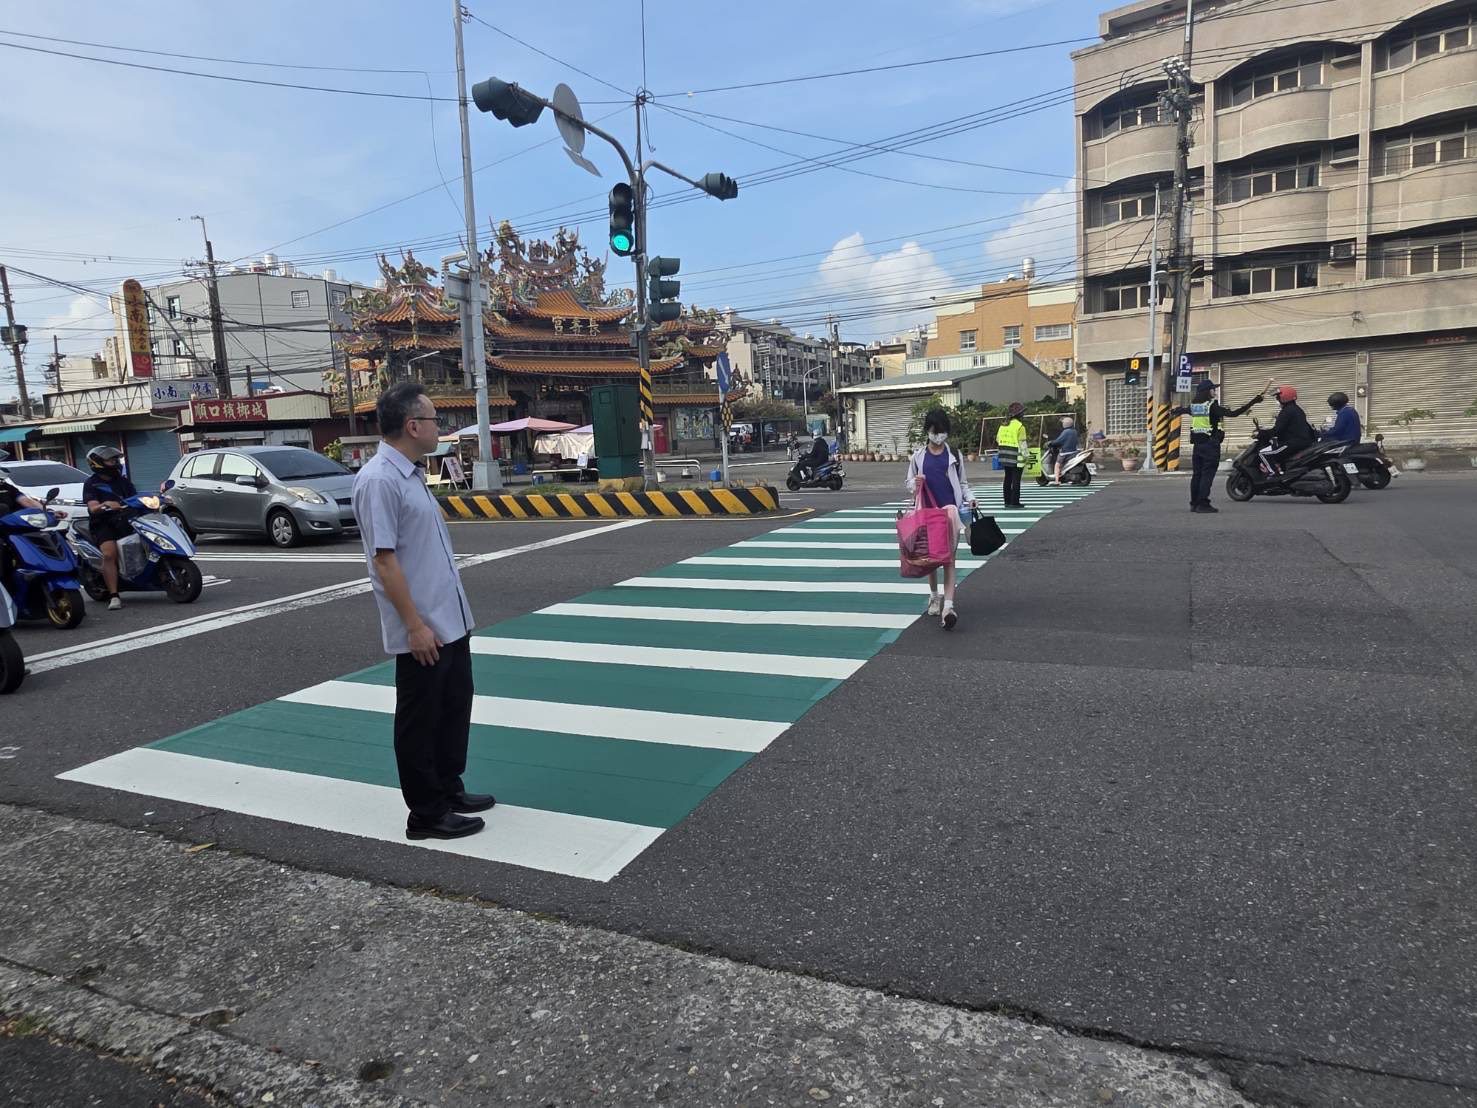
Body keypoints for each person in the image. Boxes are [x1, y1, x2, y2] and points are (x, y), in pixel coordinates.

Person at [351, 382, 493, 842]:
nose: (441, 429)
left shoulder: (411, 474)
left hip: (449, 620)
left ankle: (448, 789)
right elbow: (384, 561)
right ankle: (425, 813)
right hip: (423, 627)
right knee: (420, 719)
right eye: (435, 420)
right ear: (413, 426)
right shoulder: (378, 480)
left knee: (454, 707)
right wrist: (413, 626)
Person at [905, 409, 978, 630]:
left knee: (949, 560)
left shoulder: (954, 455)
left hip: (950, 513)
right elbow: (908, 484)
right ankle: (934, 596)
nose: (939, 436)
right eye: (936, 431)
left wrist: (971, 498)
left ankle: (948, 606)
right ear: (928, 431)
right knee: (930, 560)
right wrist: (915, 483)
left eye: (943, 431)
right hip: (927, 514)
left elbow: (963, 484)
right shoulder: (918, 456)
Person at [1172, 379, 1265, 513]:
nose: (1214, 391)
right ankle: (1203, 504)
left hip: (1198, 445)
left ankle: (1194, 503)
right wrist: (1254, 401)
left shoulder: (1194, 406)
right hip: (1210, 445)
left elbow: (1183, 410)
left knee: (1197, 475)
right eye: (1213, 389)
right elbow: (1234, 413)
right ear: (1207, 391)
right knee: (1207, 475)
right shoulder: (1211, 406)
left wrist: (1176, 411)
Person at [82, 445, 137, 611]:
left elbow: (135, 497)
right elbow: (92, 507)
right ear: (97, 463)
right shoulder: (91, 484)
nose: (114, 462)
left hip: (126, 519)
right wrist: (104, 505)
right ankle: (114, 595)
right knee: (109, 554)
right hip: (104, 523)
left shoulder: (123, 481)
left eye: (115, 459)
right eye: (110, 460)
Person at [1260, 385, 1315, 474]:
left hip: (1294, 442)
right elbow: (1286, 428)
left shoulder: (1287, 411)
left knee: (1263, 453)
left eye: (1278, 397)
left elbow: (1277, 430)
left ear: (1284, 397)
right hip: (1301, 441)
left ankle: (1275, 476)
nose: (1277, 400)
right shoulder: (1295, 409)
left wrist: (1262, 434)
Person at [996, 402, 1029, 508]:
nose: (1023, 415)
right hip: (1016, 455)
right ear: (1019, 415)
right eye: (1022, 413)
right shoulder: (1020, 426)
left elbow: (998, 439)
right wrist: (1026, 456)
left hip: (1004, 454)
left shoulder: (1003, 425)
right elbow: (1022, 444)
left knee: (1007, 478)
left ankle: (1007, 501)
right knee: (1016, 479)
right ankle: (1015, 502)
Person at [1044, 416, 1080, 485]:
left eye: (1063, 423)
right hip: (1074, 452)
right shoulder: (1074, 431)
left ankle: (1057, 481)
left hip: (1065, 453)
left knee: (1057, 465)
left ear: (1065, 424)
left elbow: (1059, 441)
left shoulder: (1065, 432)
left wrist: (1051, 443)